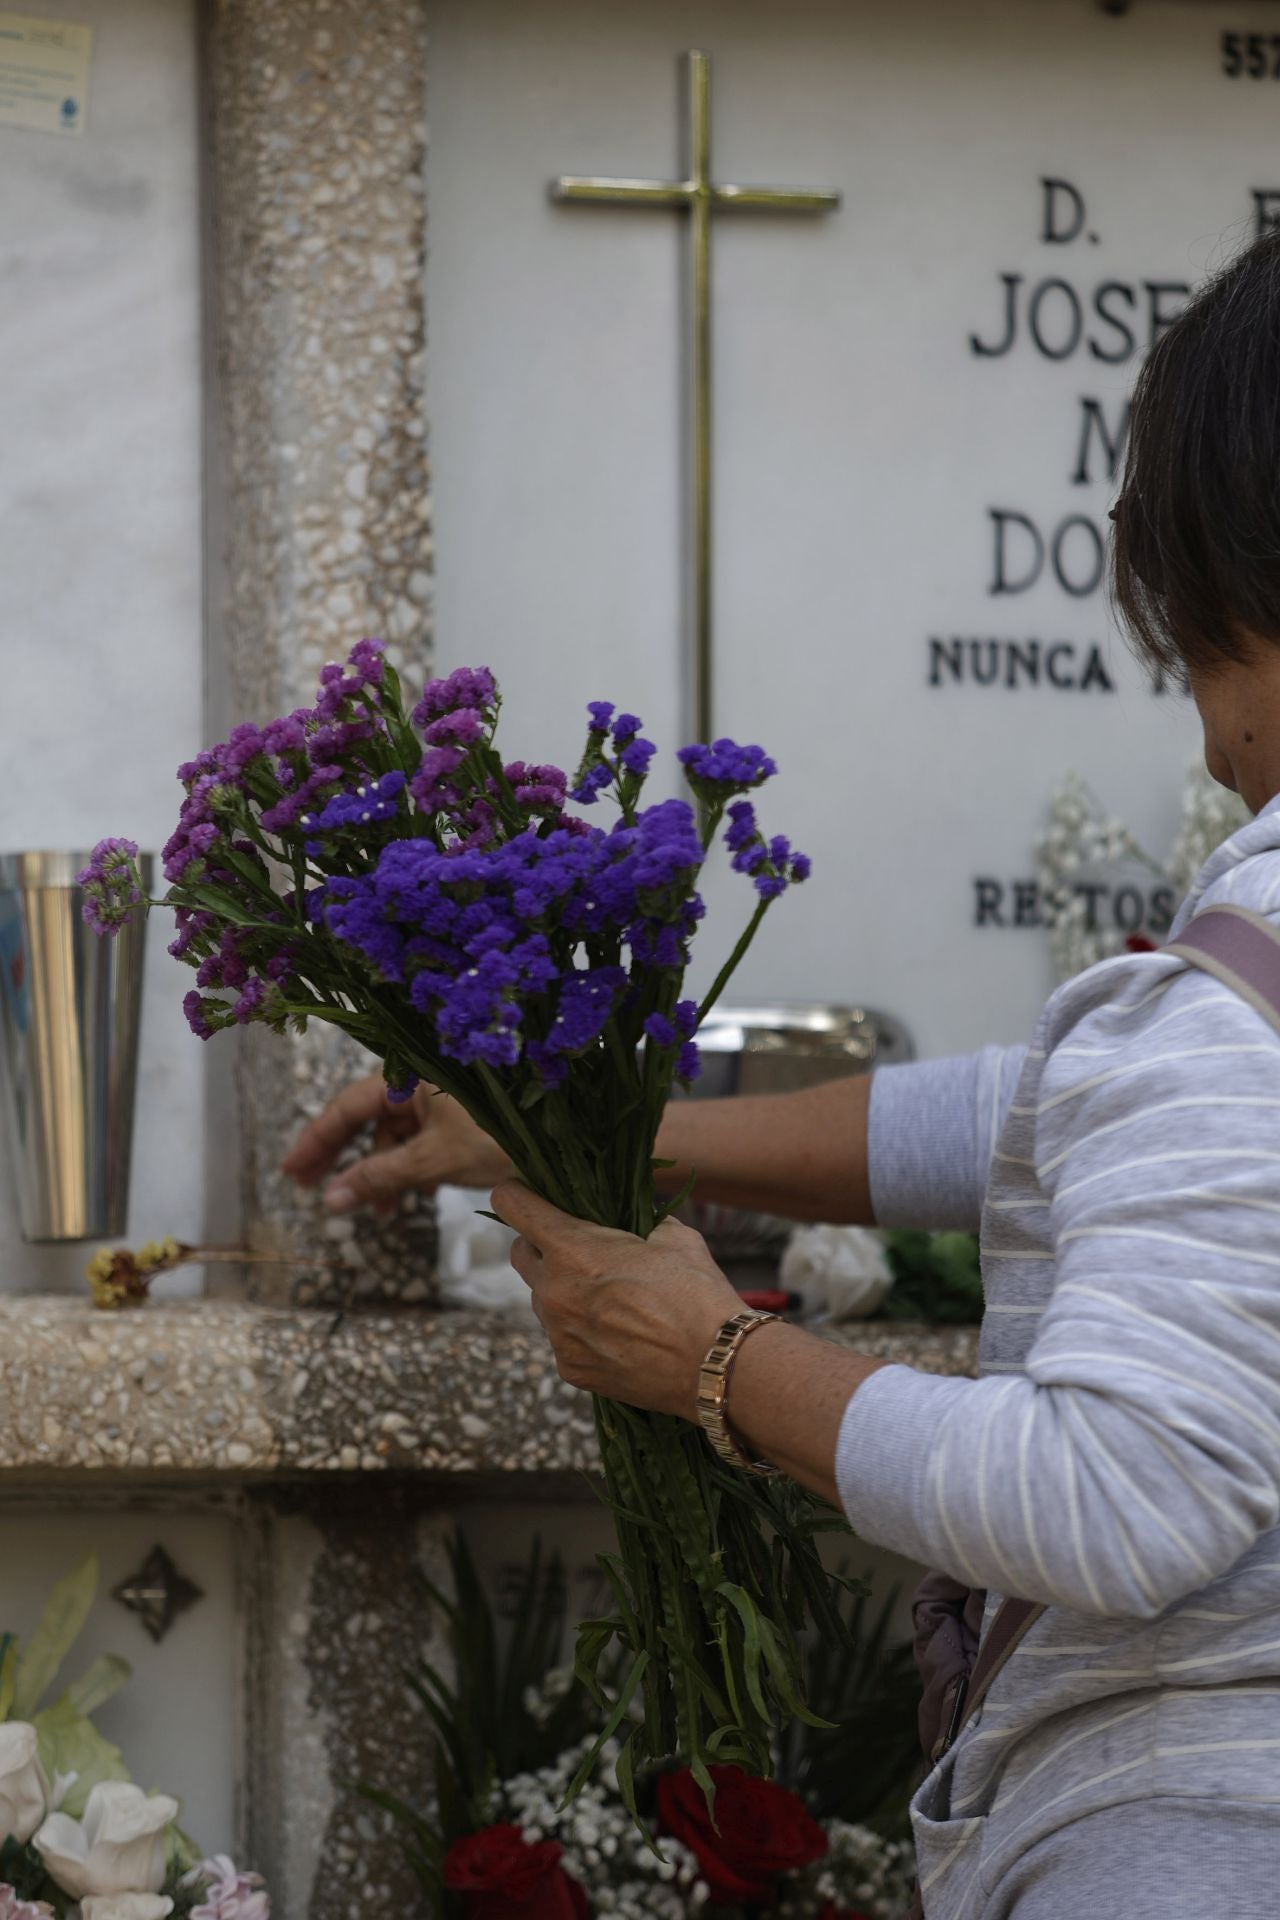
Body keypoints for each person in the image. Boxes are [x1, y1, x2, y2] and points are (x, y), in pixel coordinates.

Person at [284, 230, 1280, 1918]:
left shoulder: (1235, 980)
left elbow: (1122, 1493)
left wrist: (718, 1359)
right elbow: (1048, 1121)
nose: (1199, 731)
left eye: (1194, 648)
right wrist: (604, 1129)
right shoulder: (1209, 1021)